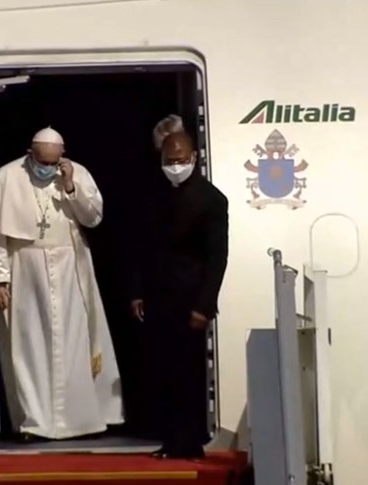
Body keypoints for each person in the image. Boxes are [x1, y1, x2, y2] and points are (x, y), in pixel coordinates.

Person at [0, 127, 124, 441]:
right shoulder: (6, 177)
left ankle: (79, 420)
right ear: (30, 153)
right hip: (25, 266)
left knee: (75, 343)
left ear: (61, 155)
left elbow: (93, 219)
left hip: (69, 266)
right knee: (29, 346)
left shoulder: (76, 173)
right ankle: (35, 422)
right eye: (41, 161)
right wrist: (0, 278)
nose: (47, 167)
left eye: (53, 162)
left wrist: (70, 187)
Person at [126, 128, 229, 459]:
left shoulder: (212, 199)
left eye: (181, 160)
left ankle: (191, 440)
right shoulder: (151, 196)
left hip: (191, 301)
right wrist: (136, 292)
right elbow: (140, 248)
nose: (175, 166)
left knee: (190, 372)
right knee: (163, 372)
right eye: (170, 161)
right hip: (158, 297)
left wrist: (205, 305)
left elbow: (217, 258)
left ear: (194, 158)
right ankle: (170, 439)